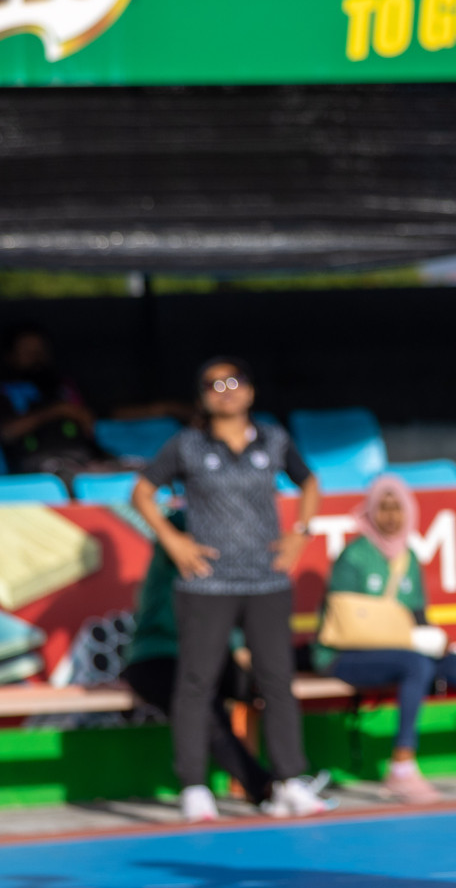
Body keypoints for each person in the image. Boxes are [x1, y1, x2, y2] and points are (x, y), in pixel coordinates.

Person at [132, 358, 329, 823]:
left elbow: (310, 482)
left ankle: (289, 782)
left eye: (233, 381)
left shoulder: (274, 440)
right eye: (212, 385)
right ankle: (195, 787)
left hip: (266, 579)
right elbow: (142, 492)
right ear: (201, 396)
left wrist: (300, 532)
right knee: (196, 682)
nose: (224, 391)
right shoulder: (187, 445)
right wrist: (173, 538)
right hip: (207, 583)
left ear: (250, 391)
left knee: (277, 681)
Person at [314, 474, 456, 804]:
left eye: (398, 507)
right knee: (415, 665)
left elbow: (419, 619)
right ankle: (401, 767)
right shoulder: (353, 556)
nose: (391, 515)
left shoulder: (408, 557)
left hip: (404, 651)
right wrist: (394, 635)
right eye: (383, 507)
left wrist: (442, 646)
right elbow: (343, 621)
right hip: (345, 655)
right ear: (369, 510)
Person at [121, 510, 277, 815]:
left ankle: (288, 779)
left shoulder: (224, 567)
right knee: (202, 705)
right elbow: (176, 523)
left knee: (269, 682)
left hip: (208, 659)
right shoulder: (173, 556)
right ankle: (260, 785)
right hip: (157, 658)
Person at [0, 323, 116, 479]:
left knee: (140, 473)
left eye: (40, 351)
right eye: (28, 352)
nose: (36, 357)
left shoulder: (64, 387)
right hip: (37, 465)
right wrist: (56, 411)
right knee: (68, 475)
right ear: (10, 356)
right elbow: (7, 432)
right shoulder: (6, 391)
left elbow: (90, 422)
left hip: (84, 459)